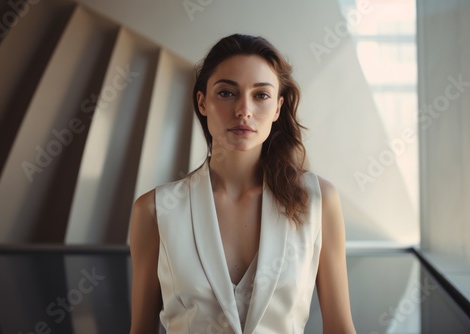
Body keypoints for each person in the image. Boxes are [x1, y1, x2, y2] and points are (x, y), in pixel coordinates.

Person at [129, 33, 356, 334]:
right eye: (226, 93)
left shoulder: (319, 200)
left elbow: (340, 328)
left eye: (261, 95)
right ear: (202, 102)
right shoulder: (154, 210)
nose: (243, 110)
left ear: (277, 108)